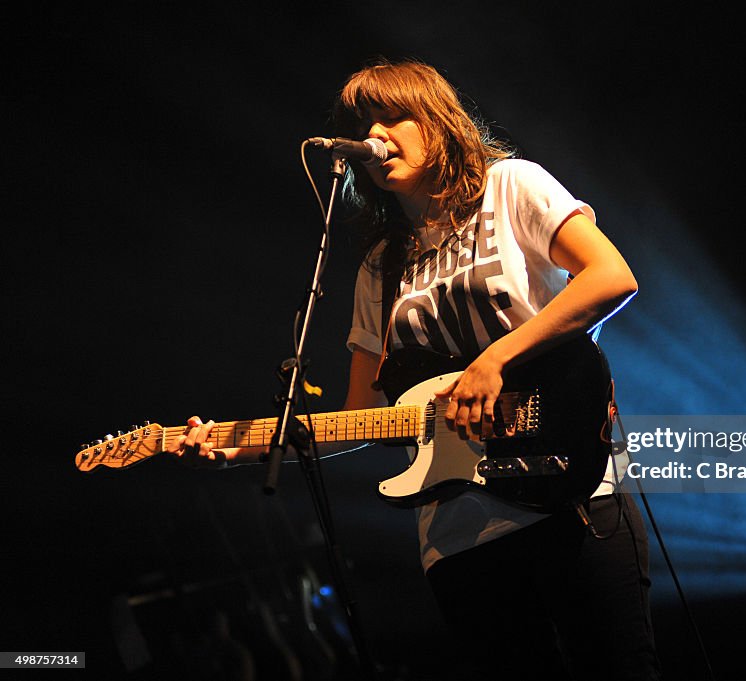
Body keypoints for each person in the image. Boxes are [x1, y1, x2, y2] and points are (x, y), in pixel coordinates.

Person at [173, 59, 661, 680]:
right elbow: (361, 421)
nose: (376, 136)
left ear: (437, 119)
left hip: (570, 490)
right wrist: (238, 447)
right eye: (363, 125)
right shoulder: (379, 268)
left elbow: (612, 277)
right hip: (458, 536)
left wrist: (494, 360)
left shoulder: (511, 186)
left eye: (392, 116)